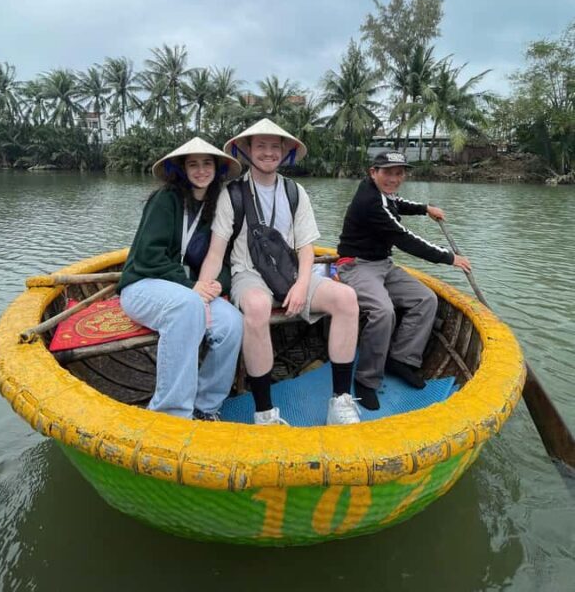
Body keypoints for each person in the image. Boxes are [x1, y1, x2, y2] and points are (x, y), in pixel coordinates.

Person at [200, 119, 361, 426]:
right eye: (260, 145)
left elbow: (305, 248)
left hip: (289, 272)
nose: (268, 152)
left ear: (285, 152)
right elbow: (216, 252)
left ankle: (340, 401)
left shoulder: (294, 191)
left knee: (346, 298)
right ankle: (264, 413)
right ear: (247, 150)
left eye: (276, 146)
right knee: (258, 307)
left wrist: (302, 285)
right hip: (249, 273)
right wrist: (203, 290)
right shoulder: (231, 194)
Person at [117, 137, 244, 421]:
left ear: (217, 169)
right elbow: (148, 257)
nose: (201, 170)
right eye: (193, 164)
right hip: (143, 286)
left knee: (233, 323)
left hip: (191, 291)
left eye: (207, 164)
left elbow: (221, 258)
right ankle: (171, 413)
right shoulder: (166, 200)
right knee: (187, 306)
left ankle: (205, 406)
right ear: (182, 169)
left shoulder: (216, 208)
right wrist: (191, 286)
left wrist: (216, 283)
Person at [336, 150, 472, 411]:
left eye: (399, 173)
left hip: (382, 264)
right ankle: (366, 379)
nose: (394, 179)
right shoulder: (369, 201)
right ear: (373, 172)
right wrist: (449, 257)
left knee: (425, 300)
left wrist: (425, 209)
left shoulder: (383, 195)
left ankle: (401, 358)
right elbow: (405, 238)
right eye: (388, 172)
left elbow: (397, 203)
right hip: (355, 266)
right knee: (383, 311)